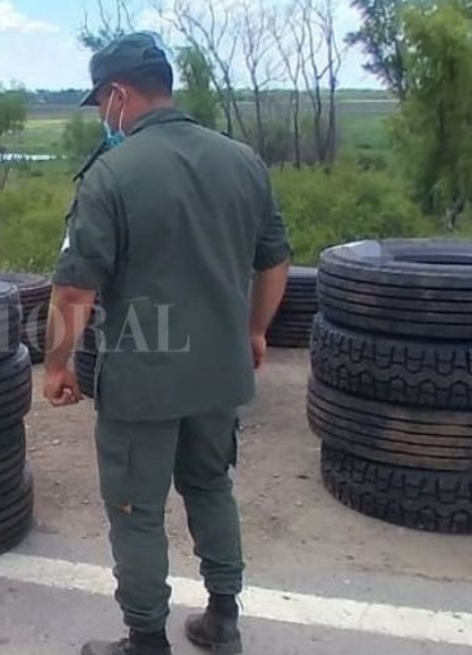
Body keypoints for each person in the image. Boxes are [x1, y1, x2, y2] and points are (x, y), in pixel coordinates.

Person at [42, 32, 292, 655]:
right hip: (219, 372)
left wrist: (57, 365)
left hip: (144, 376)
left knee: (136, 509)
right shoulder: (242, 160)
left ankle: (146, 640)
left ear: (119, 93)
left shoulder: (111, 174)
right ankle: (223, 621)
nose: (103, 114)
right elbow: (276, 260)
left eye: (102, 101)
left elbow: (75, 294)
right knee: (210, 486)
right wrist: (255, 331)